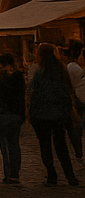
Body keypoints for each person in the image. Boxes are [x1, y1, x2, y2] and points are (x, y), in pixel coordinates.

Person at [26, 41, 79, 186]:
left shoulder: (39, 73)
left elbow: (33, 93)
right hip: (59, 114)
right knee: (61, 145)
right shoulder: (61, 70)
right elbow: (68, 92)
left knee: (45, 146)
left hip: (42, 115)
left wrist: (31, 112)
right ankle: (70, 176)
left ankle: (52, 175)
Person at [0, 52, 26, 185]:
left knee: (5, 146)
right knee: (14, 144)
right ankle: (14, 174)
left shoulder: (2, 78)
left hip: (3, 114)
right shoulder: (19, 76)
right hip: (16, 114)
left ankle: (8, 173)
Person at [66, 40, 85, 161]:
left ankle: (79, 153)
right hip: (79, 100)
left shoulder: (74, 68)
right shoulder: (75, 68)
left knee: (78, 128)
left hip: (80, 100)